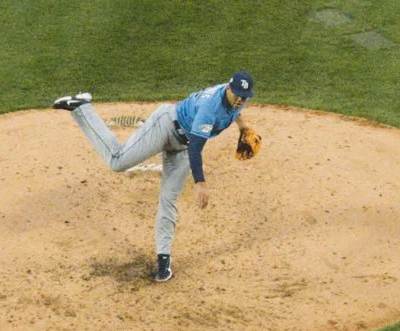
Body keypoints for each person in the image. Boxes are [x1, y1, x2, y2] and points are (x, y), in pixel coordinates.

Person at [53, 73, 259, 281]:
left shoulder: (239, 99)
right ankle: (82, 107)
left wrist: (243, 127)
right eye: (238, 95)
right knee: (117, 161)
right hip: (166, 126)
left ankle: (163, 260)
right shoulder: (210, 107)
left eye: (245, 96)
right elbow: (197, 147)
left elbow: (235, 111)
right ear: (228, 89)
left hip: (183, 148)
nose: (241, 99)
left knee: (168, 199)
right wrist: (200, 182)